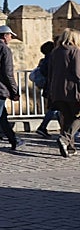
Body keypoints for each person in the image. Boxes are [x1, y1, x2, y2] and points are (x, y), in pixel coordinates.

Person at [0, 25, 23, 151]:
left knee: (2, 116)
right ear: (5, 35)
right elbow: (8, 73)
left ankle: (14, 140)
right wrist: (14, 90)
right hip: (0, 87)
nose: (11, 38)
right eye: (10, 35)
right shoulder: (4, 49)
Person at [48, 29, 80, 158]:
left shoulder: (55, 52)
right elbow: (78, 73)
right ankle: (65, 139)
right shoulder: (75, 51)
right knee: (77, 117)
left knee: (68, 118)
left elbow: (50, 72)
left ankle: (70, 147)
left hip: (57, 90)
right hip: (72, 90)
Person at [33, 40, 58, 138]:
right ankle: (43, 127)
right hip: (52, 86)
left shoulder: (46, 59)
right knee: (54, 108)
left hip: (50, 86)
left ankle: (65, 132)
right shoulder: (51, 58)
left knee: (56, 108)